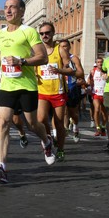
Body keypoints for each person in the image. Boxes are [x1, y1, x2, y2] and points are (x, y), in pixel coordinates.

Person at [0, 0, 55, 184]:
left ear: (22, 11)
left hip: (26, 85)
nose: (8, 11)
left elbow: (43, 58)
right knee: (3, 122)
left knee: (32, 123)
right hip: (6, 85)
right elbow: (2, 55)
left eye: (12, 7)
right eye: (6, 7)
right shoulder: (0, 34)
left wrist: (22, 61)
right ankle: (2, 168)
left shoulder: (29, 32)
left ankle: (46, 142)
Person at [35, 22, 74, 161]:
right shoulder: (37, 51)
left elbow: (71, 70)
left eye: (47, 33)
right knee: (40, 119)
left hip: (58, 92)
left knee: (59, 123)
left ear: (53, 33)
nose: (45, 36)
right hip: (42, 92)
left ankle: (61, 149)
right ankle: (49, 138)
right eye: (42, 33)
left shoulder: (60, 50)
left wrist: (59, 70)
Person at [58, 39, 85, 144]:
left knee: (73, 113)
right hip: (60, 88)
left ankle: (75, 127)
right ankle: (64, 129)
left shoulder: (73, 58)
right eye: (61, 46)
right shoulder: (57, 59)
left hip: (72, 88)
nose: (63, 48)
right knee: (64, 111)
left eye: (65, 46)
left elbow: (81, 73)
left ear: (69, 47)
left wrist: (70, 73)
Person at [88, 58, 107, 136]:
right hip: (95, 93)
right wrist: (89, 88)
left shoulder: (106, 71)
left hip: (105, 93)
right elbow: (89, 81)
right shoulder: (93, 71)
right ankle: (98, 128)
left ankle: (103, 126)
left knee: (104, 112)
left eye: (101, 62)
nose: (100, 63)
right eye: (98, 62)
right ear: (96, 63)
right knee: (96, 109)